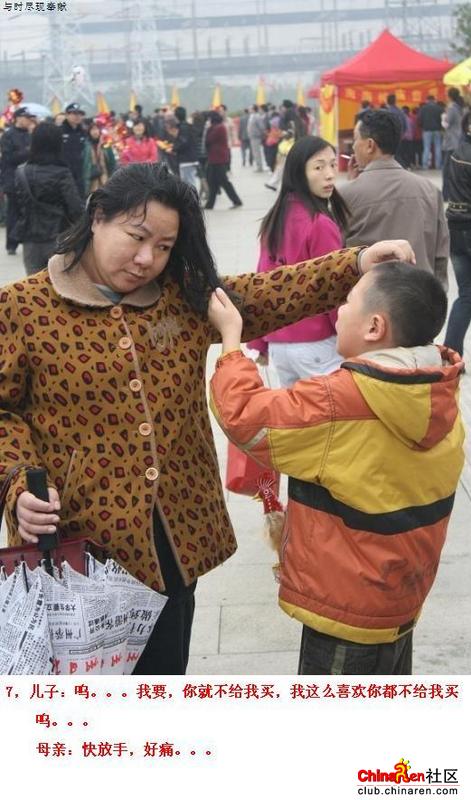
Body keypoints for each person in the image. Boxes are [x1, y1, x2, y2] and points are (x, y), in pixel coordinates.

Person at [0, 161, 413, 675]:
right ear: (98, 216)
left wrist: (356, 263)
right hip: (80, 545)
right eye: (136, 237)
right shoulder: (22, 307)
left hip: (174, 539)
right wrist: (17, 484)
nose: (147, 259)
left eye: (165, 246)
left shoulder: (182, 297)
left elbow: (270, 292)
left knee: (163, 677)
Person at [208, 262, 464, 675]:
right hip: (399, 600)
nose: (339, 310)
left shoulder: (339, 401)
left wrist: (231, 342)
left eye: (348, 301)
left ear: (374, 327)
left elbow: (244, 417)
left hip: (346, 609)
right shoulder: (438, 387)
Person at [248, 136, 349, 385]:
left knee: (296, 410)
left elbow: (262, 282)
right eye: (318, 167)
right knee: (332, 409)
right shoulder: (319, 224)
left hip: (279, 346)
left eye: (332, 164)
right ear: (298, 173)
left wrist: (259, 341)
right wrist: (349, 336)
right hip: (317, 345)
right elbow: (333, 288)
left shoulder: (275, 219)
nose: (329, 174)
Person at [340, 109, 449, 289]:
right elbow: (441, 257)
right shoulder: (430, 190)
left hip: (369, 299)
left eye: (355, 139)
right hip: (420, 295)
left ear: (370, 145)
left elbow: (336, 258)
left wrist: (352, 186)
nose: (353, 147)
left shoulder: (345, 195)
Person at [14, 122, 83, 275]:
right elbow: (75, 208)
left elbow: (17, 207)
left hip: (30, 240)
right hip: (58, 238)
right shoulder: (62, 173)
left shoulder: (21, 172)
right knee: (59, 284)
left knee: (34, 283)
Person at [444, 111, 471, 356]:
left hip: (456, 228)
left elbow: (446, 191)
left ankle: (451, 352)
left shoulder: (455, 154)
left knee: (466, 295)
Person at [0, 106, 35, 254]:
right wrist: (27, 151)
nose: (29, 121)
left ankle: (27, 240)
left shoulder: (30, 135)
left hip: (29, 178)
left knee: (29, 211)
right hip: (12, 178)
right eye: (27, 118)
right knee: (13, 212)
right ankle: (11, 244)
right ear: (18, 118)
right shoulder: (8, 136)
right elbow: (8, 158)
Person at [204, 111, 243, 210]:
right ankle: (210, 204)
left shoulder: (219, 128)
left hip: (218, 159)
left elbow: (208, 140)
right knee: (212, 182)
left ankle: (236, 201)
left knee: (224, 182)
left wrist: (208, 129)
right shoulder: (216, 127)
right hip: (214, 159)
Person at [441, 88, 465, 202]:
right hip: (458, 141)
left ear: (449, 96)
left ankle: (446, 195)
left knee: (446, 171)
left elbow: (446, 124)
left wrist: (443, 117)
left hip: (450, 143)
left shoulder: (451, 108)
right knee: (455, 170)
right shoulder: (461, 108)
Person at [82, 121, 116, 197]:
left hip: (105, 176)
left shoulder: (105, 145)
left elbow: (112, 162)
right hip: (91, 177)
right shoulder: (86, 146)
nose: (95, 132)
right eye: (92, 129)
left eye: (96, 129)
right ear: (89, 132)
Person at [61, 102, 87, 197]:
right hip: (64, 172)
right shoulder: (59, 131)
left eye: (79, 114)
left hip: (80, 172)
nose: (77, 116)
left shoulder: (83, 132)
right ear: (67, 115)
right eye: (74, 113)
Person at [170, 106, 199, 188]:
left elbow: (183, 142)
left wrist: (174, 148)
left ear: (176, 117)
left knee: (189, 183)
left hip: (187, 160)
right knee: (188, 182)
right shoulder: (187, 126)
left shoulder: (183, 128)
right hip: (190, 158)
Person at [417, 96, 443, 170]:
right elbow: (442, 119)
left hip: (426, 130)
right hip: (437, 130)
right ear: (434, 100)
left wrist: (422, 126)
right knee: (438, 148)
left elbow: (419, 119)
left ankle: (425, 166)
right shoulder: (439, 108)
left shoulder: (423, 108)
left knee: (426, 148)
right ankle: (438, 165)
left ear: (427, 100)